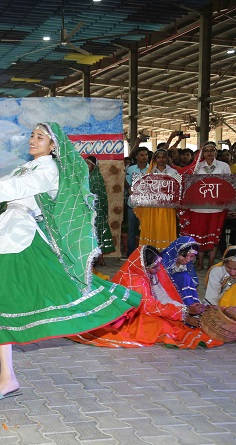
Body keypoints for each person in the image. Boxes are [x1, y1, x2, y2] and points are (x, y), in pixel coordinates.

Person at [0, 122, 140, 403]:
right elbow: (0, 186)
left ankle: (8, 377)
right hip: (4, 233)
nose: (33, 140)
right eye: (32, 135)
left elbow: (13, 188)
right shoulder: (27, 167)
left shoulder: (48, 170)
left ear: (53, 146)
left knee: (0, 301)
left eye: (40, 137)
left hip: (21, 236)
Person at [69, 245, 222, 349]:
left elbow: (161, 296)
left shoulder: (147, 273)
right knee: (161, 325)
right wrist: (183, 314)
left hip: (141, 309)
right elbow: (148, 306)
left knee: (168, 320)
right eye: (154, 267)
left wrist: (184, 310)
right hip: (126, 315)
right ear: (144, 265)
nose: (158, 269)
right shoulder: (134, 279)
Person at [180, 141, 231, 271]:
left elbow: (228, 187)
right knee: (199, 237)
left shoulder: (224, 166)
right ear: (202, 153)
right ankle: (200, 262)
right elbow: (189, 186)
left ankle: (211, 263)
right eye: (206, 151)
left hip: (217, 208)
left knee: (214, 237)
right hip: (198, 208)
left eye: (212, 150)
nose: (209, 153)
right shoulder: (196, 167)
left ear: (216, 152)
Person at [133, 149, 179, 250]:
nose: (161, 159)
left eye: (163, 157)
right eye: (158, 157)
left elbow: (177, 189)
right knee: (153, 228)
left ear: (167, 158)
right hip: (152, 208)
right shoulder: (149, 172)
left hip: (167, 207)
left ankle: (166, 252)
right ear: (155, 159)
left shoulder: (173, 172)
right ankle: (150, 253)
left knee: (165, 228)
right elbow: (143, 189)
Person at [85, 156, 115, 255]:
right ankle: (97, 257)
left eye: (88, 164)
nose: (86, 166)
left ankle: (97, 257)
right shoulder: (89, 176)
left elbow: (100, 197)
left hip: (96, 210)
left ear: (94, 166)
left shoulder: (95, 178)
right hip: (92, 209)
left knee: (96, 233)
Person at [125, 147, 150, 256]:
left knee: (146, 230)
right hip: (133, 204)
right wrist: (129, 190)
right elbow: (127, 183)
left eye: (146, 155)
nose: (144, 157)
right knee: (131, 230)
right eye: (141, 155)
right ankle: (131, 253)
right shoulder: (131, 169)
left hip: (147, 205)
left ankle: (145, 253)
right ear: (136, 157)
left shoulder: (152, 169)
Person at [161, 237, 200, 305]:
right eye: (184, 256)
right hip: (164, 295)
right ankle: (188, 306)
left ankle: (190, 305)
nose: (188, 260)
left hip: (180, 295)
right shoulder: (163, 263)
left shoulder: (188, 266)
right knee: (184, 277)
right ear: (177, 252)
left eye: (191, 256)